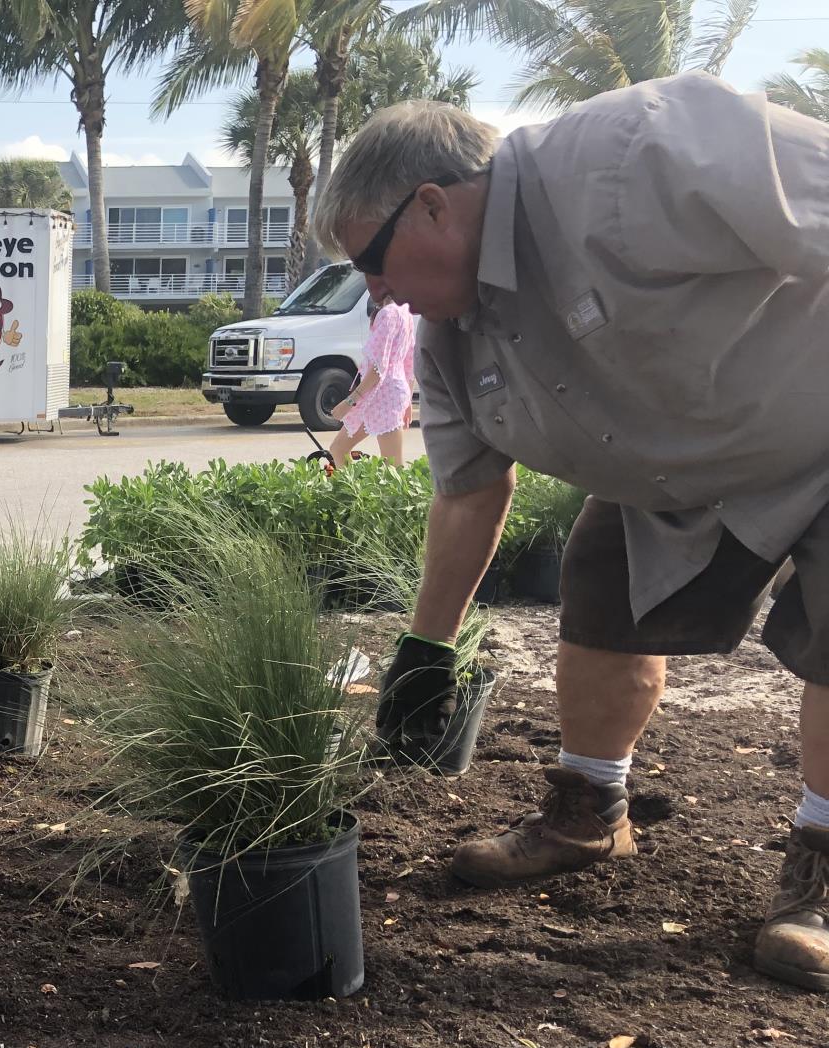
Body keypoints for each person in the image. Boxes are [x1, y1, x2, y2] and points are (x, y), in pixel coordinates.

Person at [316, 74, 829, 993]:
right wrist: (425, 649)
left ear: (432, 206)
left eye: (374, 263)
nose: (375, 294)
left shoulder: (645, 151)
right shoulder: (447, 337)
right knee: (599, 586)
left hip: (819, 431)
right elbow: (471, 494)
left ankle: (819, 880)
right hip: (674, 475)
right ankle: (590, 813)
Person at [327, 294, 416, 468]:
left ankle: (356, 493)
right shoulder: (405, 310)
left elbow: (377, 368)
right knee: (338, 449)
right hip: (385, 394)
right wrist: (408, 400)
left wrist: (349, 401)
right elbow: (409, 362)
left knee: (393, 468)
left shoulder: (389, 313)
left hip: (385, 395)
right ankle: (354, 494)